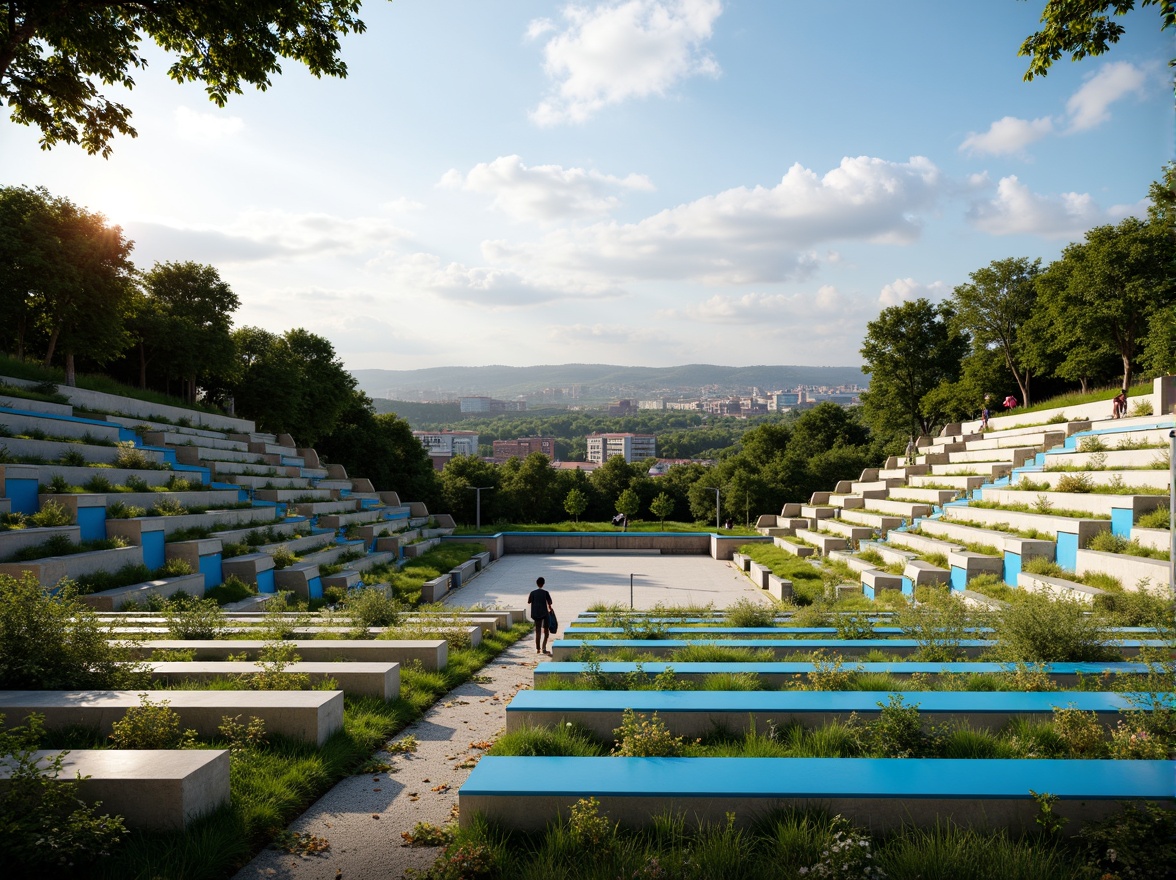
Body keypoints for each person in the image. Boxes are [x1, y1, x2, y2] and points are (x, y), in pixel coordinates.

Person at [527, 576, 553, 655]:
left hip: (536, 614)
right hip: (544, 614)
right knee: (546, 631)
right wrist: (550, 607)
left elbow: (529, 601)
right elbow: (550, 602)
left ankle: (538, 648)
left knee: (538, 631)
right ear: (543, 584)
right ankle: (544, 648)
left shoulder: (533, 592)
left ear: (537, 583)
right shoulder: (545, 592)